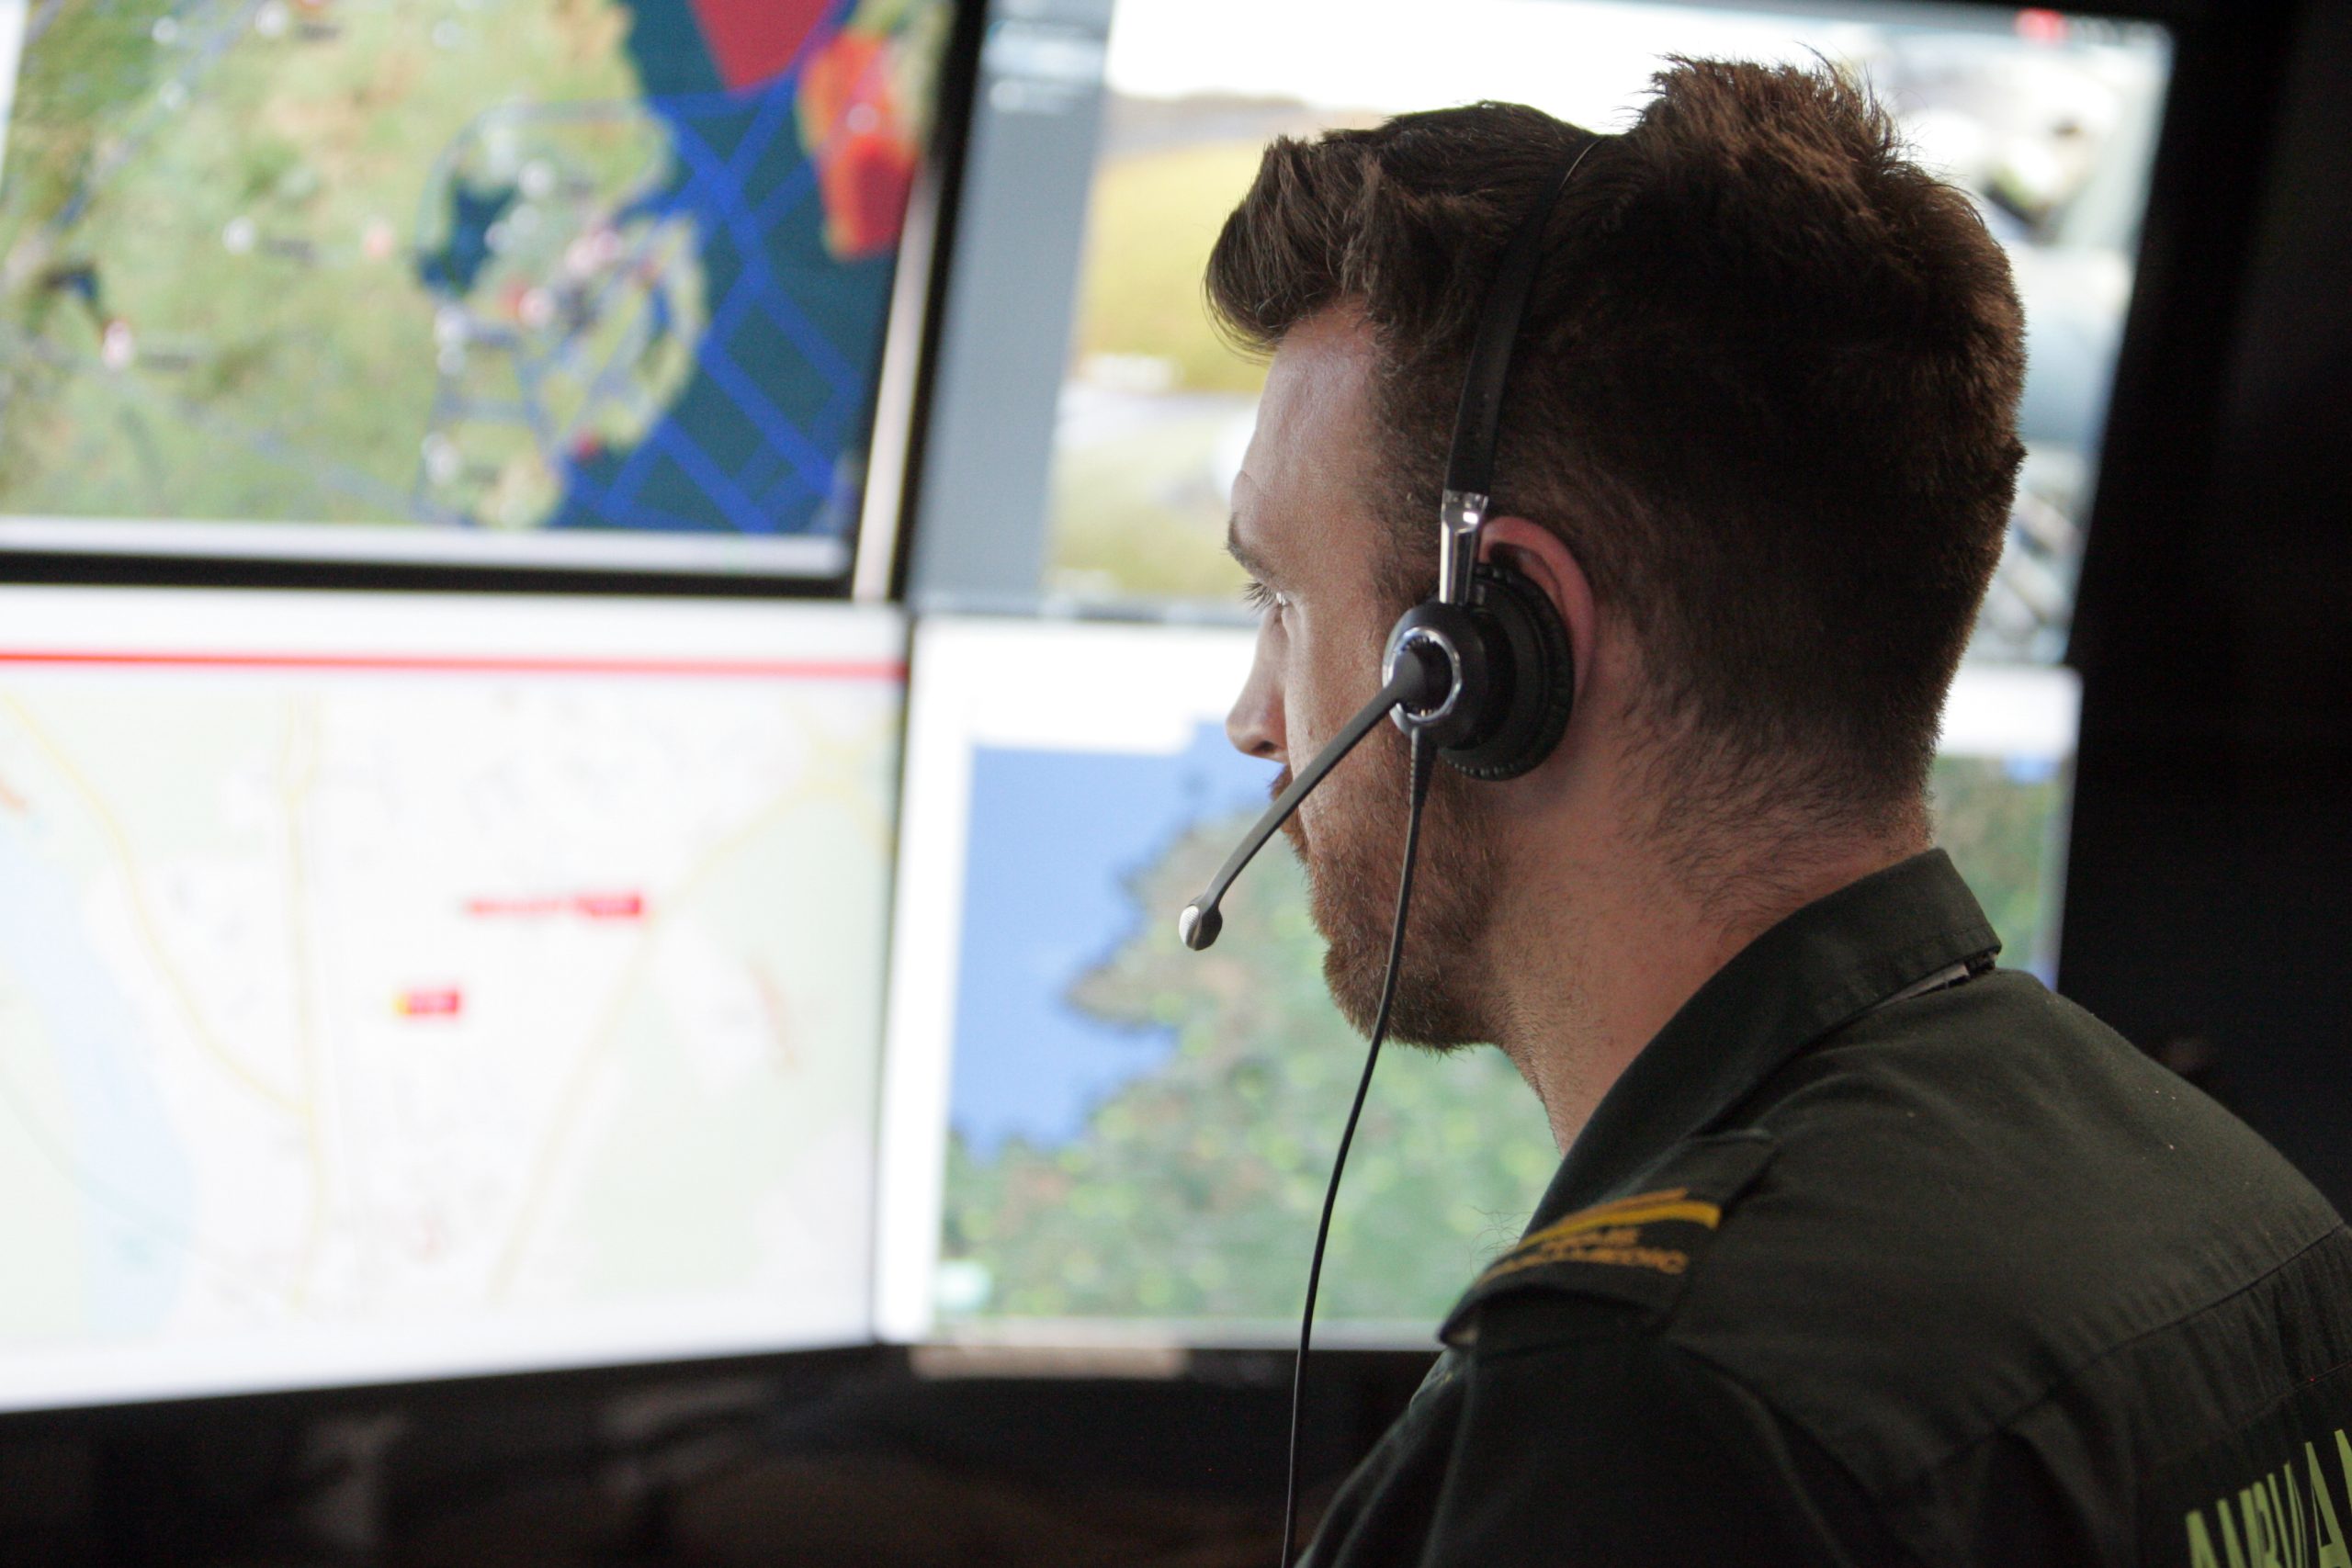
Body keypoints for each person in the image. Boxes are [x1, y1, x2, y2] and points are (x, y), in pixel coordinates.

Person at [1204, 60, 2352, 1567]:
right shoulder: (2236, 1213)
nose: (1255, 720)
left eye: (1284, 599)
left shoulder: (1647, 1415)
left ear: (1490, 649)